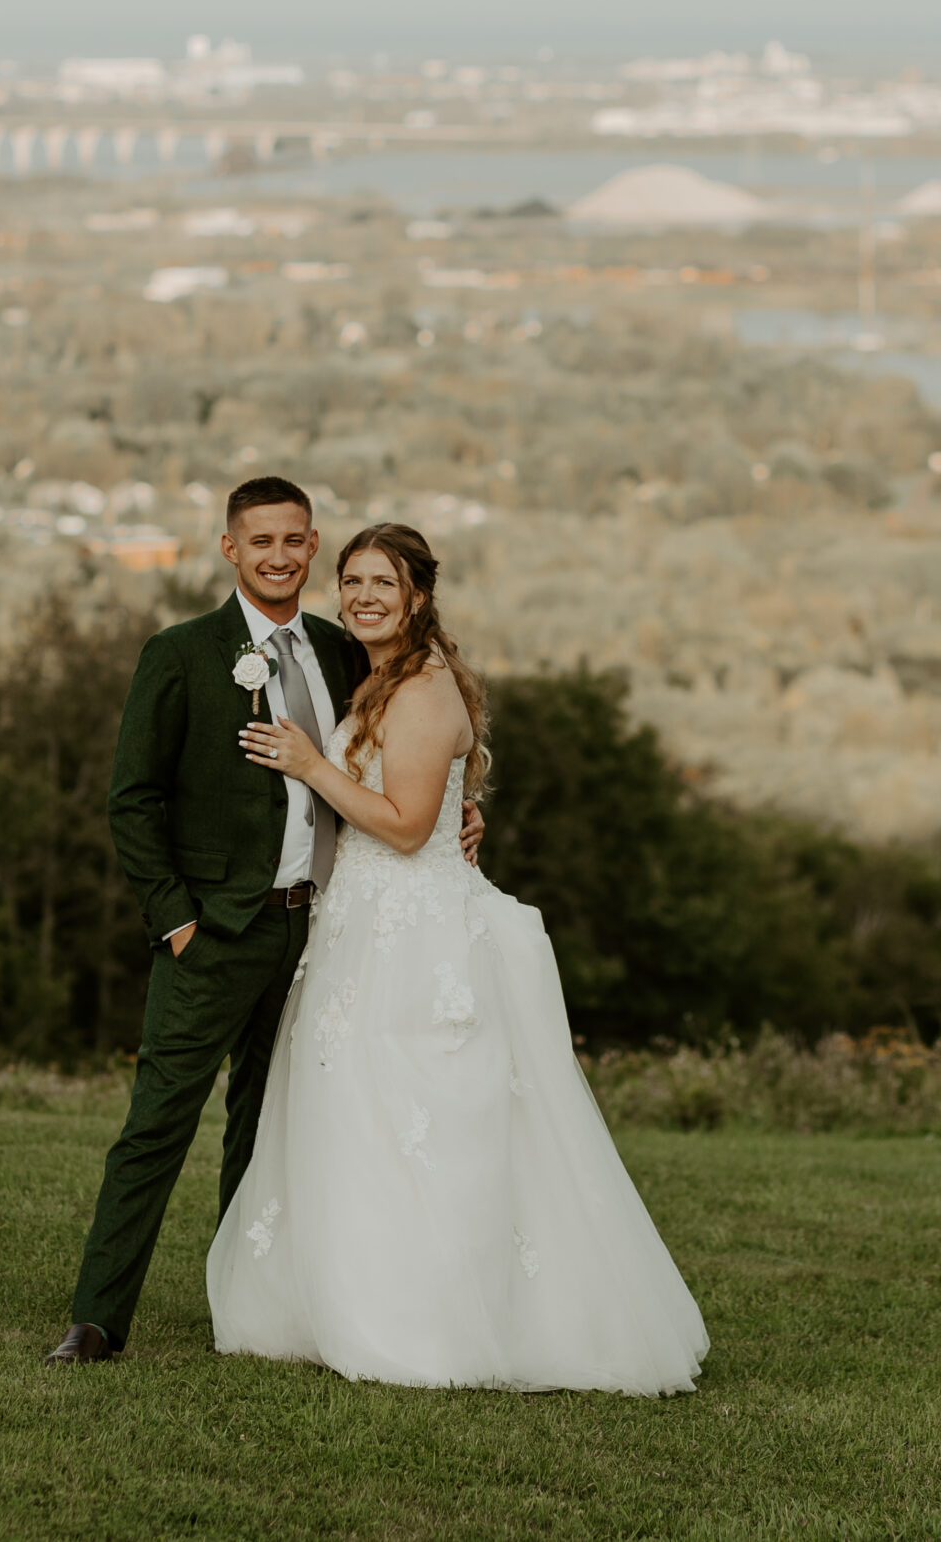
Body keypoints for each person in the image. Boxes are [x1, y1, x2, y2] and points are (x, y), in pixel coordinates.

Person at [207, 523, 707, 1394]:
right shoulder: (384, 676)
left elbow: (403, 827)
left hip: (414, 933)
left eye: (383, 584)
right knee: (356, 1115)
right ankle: (339, 1297)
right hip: (364, 921)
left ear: (419, 597)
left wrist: (311, 764)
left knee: (419, 1122)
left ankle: (425, 1318)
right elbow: (431, 806)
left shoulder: (424, 689)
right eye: (353, 580)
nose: (363, 596)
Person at [48, 478, 483, 1365]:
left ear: (312, 544)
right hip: (213, 933)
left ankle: (246, 1311)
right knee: (158, 1125)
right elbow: (133, 801)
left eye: (295, 540)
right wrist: (175, 923)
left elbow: (418, 740)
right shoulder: (179, 654)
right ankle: (97, 1317)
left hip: (321, 931)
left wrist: (468, 808)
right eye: (262, 541)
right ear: (229, 548)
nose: (280, 555)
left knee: (271, 1128)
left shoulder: (343, 647)